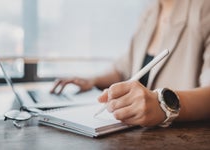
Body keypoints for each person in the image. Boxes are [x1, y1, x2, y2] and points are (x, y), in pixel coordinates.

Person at [50, 0, 210, 127]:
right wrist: (92, 80)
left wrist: (162, 104)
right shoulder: (151, 11)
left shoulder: (204, 8)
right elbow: (124, 68)